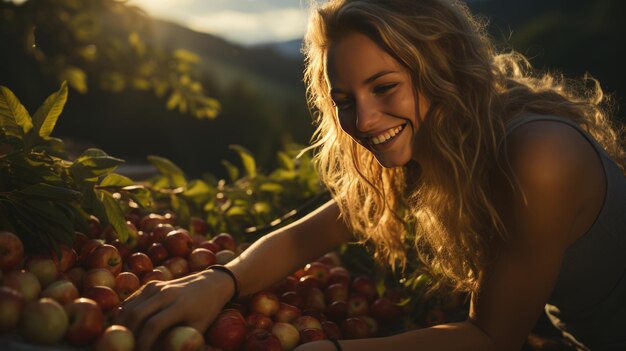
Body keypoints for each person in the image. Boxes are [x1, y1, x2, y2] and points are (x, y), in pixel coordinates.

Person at [116, 0, 626, 350]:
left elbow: (493, 338)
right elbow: (308, 237)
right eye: (344, 101)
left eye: (384, 87)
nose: (362, 121)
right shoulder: (441, 137)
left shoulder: (539, 154)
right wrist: (218, 281)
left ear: (439, 67)